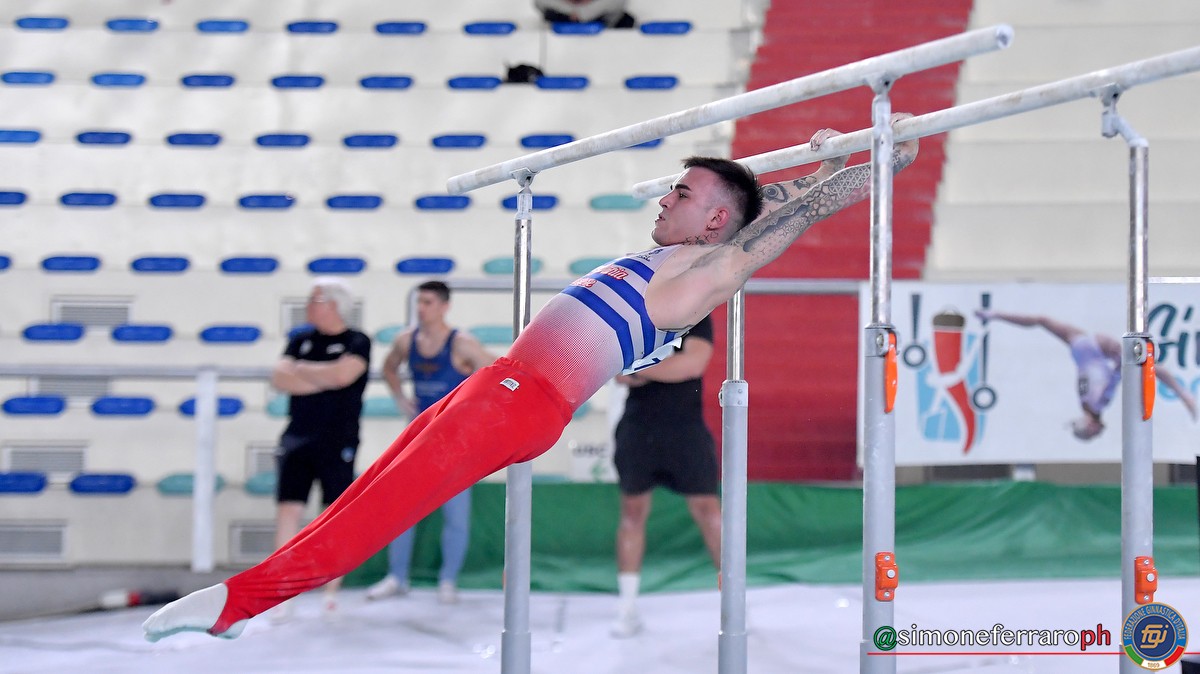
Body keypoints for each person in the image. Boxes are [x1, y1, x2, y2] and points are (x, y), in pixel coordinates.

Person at [143, 115, 919, 643]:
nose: (665, 195)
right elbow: (770, 203)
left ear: (715, 222)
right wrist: (827, 161)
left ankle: (235, 603)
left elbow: (788, 220)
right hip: (500, 388)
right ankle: (250, 601)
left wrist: (879, 158)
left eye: (681, 193)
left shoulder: (703, 274)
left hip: (520, 401)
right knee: (365, 491)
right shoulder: (673, 255)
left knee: (379, 510)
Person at [365, 281, 495, 604]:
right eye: (419, 302)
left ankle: (448, 580)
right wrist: (400, 398)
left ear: (444, 306)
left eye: (428, 302)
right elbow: (389, 367)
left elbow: (496, 373)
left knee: (456, 516)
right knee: (401, 511)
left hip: (456, 442)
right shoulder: (405, 340)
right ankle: (397, 577)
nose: (421, 308)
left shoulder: (462, 344)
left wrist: (472, 414)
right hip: (419, 439)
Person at [266, 278, 370, 620]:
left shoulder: (357, 340)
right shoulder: (300, 339)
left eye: (316, 300)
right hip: (297, 437)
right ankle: (282, 591)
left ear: (334, 305)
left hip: (337, 440)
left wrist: (303, 371)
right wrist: (324, 375)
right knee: (288, 511)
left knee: (333, 515)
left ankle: (329, 593)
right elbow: (280, 378)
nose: (309, 306)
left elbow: (344, 377)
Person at [610, 312, 719, 638]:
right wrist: (664, 368)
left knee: (709, 512)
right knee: (632, 513)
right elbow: (619, 374)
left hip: (686, 430)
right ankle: (627, 609)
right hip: (638, 429)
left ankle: (734, 602)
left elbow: (693, 365)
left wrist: (641, 369)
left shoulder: (697, 316)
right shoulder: (637, 320)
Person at [975, 309, 1199, 440]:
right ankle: (994, 314)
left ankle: (1184, 395)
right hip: (1084, 349)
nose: (1096, 431)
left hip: (1093, 350)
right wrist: (1119, 368)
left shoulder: (1095, 404)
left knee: (1147, 366)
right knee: (1042, 321)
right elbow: (1103, 379)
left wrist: (1119, 366)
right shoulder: (1090, 404)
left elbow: (1109, 379)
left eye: (1091, 431)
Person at [535, 0, 636, 29]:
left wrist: (582, 14)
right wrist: (572, 11)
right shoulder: (558, 7)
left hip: (606, 50)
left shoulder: (606, 4)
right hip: (560, 50)